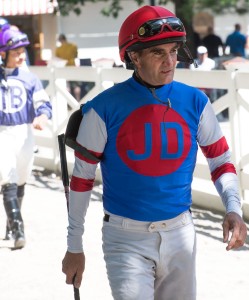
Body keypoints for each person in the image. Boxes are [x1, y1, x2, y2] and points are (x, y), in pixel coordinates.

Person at [62, 5, 247, 300]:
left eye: (173, 51)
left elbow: (221, 161)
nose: (170, 61)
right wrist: (74, 246)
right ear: (134, 56)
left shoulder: (196, 101)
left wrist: (233, 209)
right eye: (158, 52)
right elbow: (81, 179)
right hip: (125, 240)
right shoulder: (102, 108)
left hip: (182, 234)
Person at [0, 27, 52, 249]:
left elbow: (43, 103)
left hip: (24, 134)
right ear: (3, 54)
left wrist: (42, 116)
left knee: (21, 180)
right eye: (16, 52)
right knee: (7, 178)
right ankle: (19, 229)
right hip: (2, 133)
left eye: (23, 51)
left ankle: (12, 222)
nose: (21, 56)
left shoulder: (30, 79)